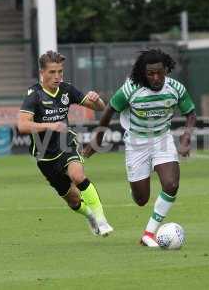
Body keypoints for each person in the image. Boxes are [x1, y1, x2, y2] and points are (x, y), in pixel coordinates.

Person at [83, 49, 196, 246]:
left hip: (162, 139)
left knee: (171, 185)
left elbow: (191, 113)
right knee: (141, 199)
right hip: (136, 143)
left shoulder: (175, 88)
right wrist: (97, 140)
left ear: (166, 70)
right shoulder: (131, 89)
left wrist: (186, 138)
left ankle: (149, 234)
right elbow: (110, 110)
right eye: (150, 73)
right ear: (143, 73)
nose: (156, 77)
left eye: (159, 72)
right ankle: (136, 188)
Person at [18, 50, 113, 236]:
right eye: (52, 72)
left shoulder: (67, 90)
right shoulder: (34, 95)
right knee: (73, 200)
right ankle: (91, 217)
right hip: (44, 155)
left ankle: (102, 221)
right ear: (42, 73)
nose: (57, 76)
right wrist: (49, 126)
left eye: (60, 71)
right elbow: (22, 125)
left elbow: (101, 108)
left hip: (65, 142)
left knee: (77, 176)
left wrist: (97, 99)